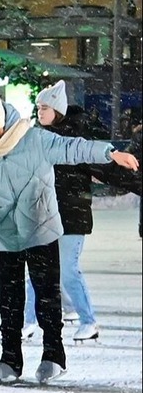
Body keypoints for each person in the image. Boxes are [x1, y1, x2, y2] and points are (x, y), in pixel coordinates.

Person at [0, 92, 138, 385]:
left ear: (0, 126)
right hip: (4, 235)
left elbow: (72, 148)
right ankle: (9, 359)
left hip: (40, 228)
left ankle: (53, 355)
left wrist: (109, 153)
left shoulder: (34, 140)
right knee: (9, 301)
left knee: (46, 296)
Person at [22, 81, 142, 343]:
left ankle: (89, 321)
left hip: (72, 215)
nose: (40, 112)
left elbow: (107, 170)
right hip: (43, 214)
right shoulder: (36, 138)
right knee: (37, 269)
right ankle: (29, 320)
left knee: (67, 270)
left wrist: (134, 179)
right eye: (38, 107)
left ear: (58, 111)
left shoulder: (74, 140)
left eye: (45, 107)